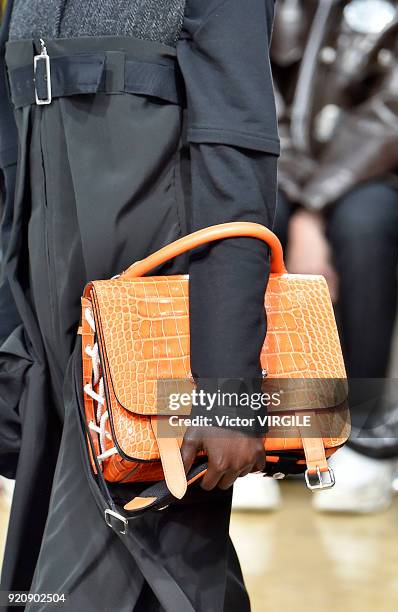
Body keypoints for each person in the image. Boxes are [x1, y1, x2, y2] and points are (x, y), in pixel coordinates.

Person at [0, 1, 280, 609]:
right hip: (51, 362)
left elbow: (235, 172)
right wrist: (10, 349)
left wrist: (228, 392)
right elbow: (10, 177)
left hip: (157, 364)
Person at [272, 0, 398, 513]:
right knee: (251, 218)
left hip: (382, 172)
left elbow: (395, 113)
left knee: (364, 222)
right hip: (290, 165)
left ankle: (367, 437)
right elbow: (263, 100)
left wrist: (314, 208)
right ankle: (264, 430)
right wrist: (295, 190)